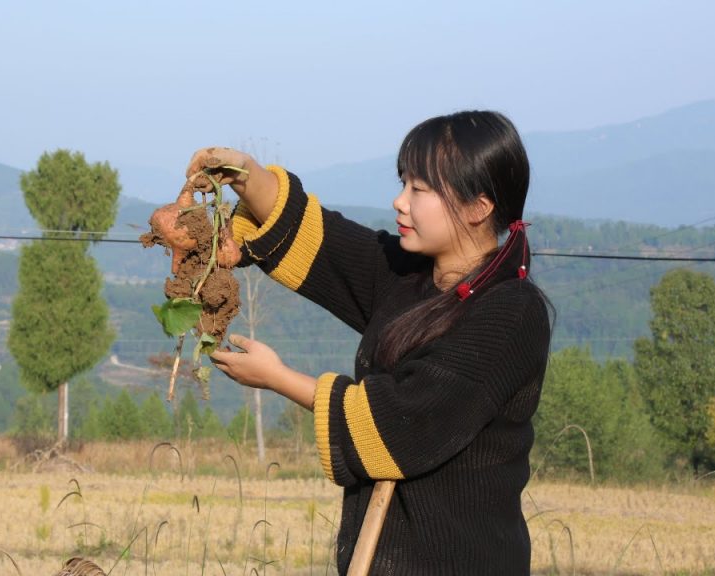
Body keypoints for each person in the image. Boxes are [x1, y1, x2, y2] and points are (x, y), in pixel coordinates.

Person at [187, 110, 552, 575]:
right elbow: (321, 239)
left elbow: (401, 424)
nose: (400, 202)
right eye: (404, 184)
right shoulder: (408, 277)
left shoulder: (509, 313)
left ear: (477, 207)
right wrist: (244, 172)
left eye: (420, 190)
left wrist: (277, 379)